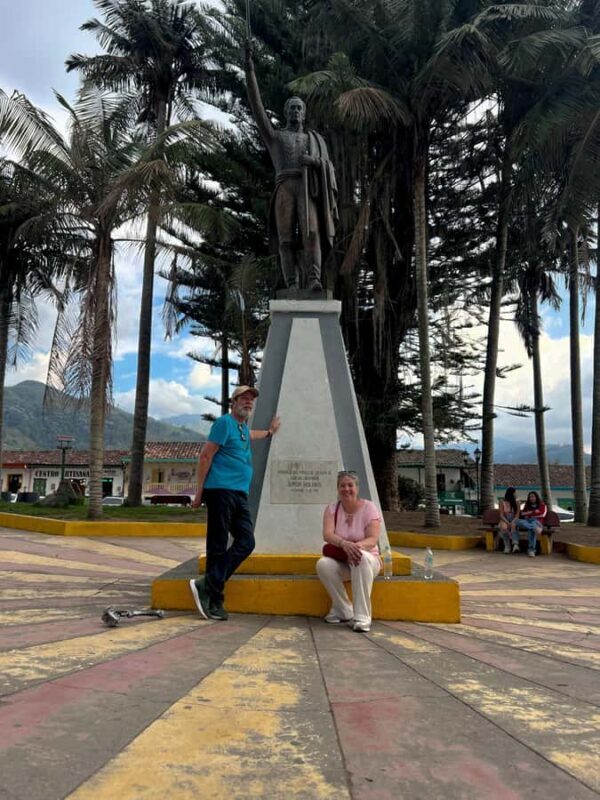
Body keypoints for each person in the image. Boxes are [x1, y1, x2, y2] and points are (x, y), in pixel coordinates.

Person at [245, 41, 338, 292]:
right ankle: (292, 283)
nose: (296, 111)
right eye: (292, 108)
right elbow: (257, 109)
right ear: (286, 112)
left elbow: (328, 167)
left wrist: (315, 162)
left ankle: (315, 279)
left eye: (299, 108)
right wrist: (249, 69)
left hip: (308, 187)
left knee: (312, 233)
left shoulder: (314, 139)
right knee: (286, 239)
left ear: (304, 114)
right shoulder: (276, 138)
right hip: (285, 187)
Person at [189, 386, 280, 620]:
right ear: (234, 402)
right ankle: (214, 599)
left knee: (247, 541)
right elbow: (206, 456)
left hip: (239, 493)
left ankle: (207, 585)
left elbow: (252, 435)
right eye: (244, 398)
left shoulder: (242, 429)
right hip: (220, 490)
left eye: (251, 400)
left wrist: (269, 432)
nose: (248, 402)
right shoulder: (224, 423)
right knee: (217, 546)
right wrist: (199, 492)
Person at [316, 470, 382, 633]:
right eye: (342, 485)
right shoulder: (332, 509)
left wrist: (355, 548)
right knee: (323, 564)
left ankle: (362, 617)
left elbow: (372, 539)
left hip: (368, 561)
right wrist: (344, 544)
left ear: (357, 488)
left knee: (360, 557)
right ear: (338, 488)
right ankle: (343, 609)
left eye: (350, 485)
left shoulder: (369, 507)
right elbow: (327, 535)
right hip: (343, 561)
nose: (346, 489)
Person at [516, 491, 547, 558]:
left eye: (533, 496)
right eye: (530, 497)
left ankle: (531, 550)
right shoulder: (527, 505)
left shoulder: (542, 505)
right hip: (528, 522)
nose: (531, 498)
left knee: (531, 530)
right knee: (517, 522)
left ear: (536, 497)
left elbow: (542, 514)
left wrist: (529, 513)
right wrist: (534, 512)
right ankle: (535, 528)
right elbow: (523, 514)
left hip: (536, 522)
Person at [499, 487, 520, 554]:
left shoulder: (517, 502)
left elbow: (517, 514)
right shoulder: (502, 501)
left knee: (514, 525)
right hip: (505, 520)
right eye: (515, 493)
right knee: (504, 527)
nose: (516, 494)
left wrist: (513, 521)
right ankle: (507, 546)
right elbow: (501, 515)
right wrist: (507, 522)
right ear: (511, 493)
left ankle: (515, 545)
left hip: (514, 519)